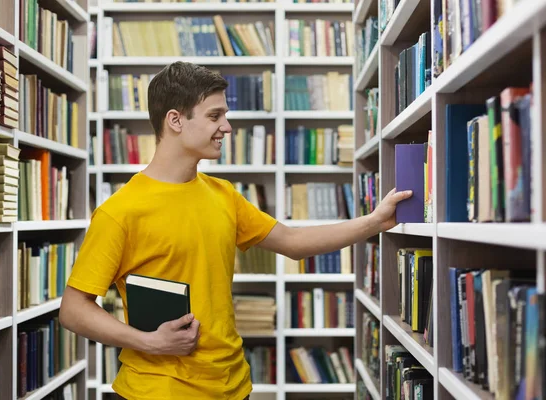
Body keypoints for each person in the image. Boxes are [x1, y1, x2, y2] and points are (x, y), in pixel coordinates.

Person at [59, 62, 412, 400]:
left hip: (233, 387)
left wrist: (375, 221)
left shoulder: (224, 194)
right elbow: (73, 310)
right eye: (215, 116)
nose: (227, 127)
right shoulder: (120, 212)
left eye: (224, 115)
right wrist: (151, 342)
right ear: (175, 120)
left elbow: (293, 243)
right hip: (158, 391)